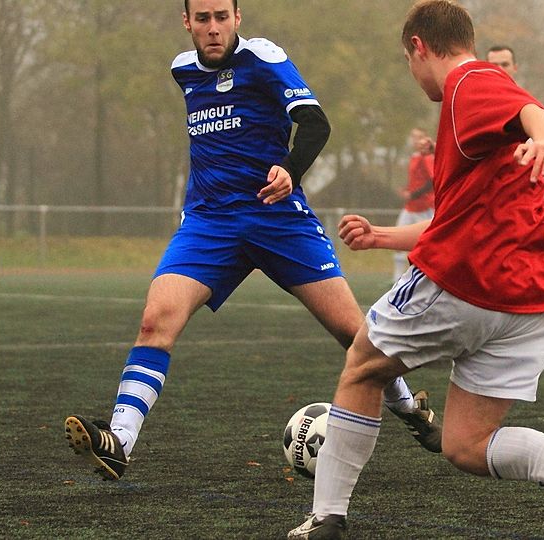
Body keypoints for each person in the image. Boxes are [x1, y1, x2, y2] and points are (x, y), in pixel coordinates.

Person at [62, 0, 442, 484]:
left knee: (355, 335)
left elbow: (315, 123)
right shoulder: (183, 70)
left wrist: (290, 169)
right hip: (209, 223)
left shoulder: (263, 57)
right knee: (155, 321)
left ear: (237, 18)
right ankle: (119, 441)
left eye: (222, 17)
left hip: (278, 219)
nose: (214, 28)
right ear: (187, 23)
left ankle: (412, 411)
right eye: (203, 19)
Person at [288, 2, 544, 538]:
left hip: (469, 285)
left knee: (361, 367)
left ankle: (327, 517)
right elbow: (458, 221)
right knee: (465, 444)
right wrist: (382, 237)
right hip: (533, 306)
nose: (412, 70)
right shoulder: (474, 124)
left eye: (408, 59)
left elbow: (529, 111)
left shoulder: (469, 82)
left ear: (420, 46)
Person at [392, 128, 435, 283]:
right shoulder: (414, 157)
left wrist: (413, 194)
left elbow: (433, 181)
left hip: (424, 207)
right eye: (413, 137)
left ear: (425, 140)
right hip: (410, 207)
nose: (415, 140)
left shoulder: (427, 157)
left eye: (418, 137)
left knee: (429, 242)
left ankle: (429, 276)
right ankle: (396, 278)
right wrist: (406, 191)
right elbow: (415, 180)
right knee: (396, 238)